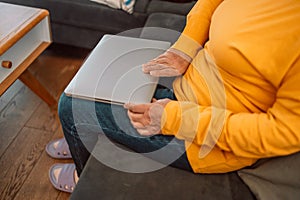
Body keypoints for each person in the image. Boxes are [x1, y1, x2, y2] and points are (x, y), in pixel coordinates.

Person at [47, 0, 300, 193]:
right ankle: (82, 139)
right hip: (187, 84)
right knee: (96, 78)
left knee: (70, 106)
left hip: (208, 139)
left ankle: (81, 173)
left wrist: (175, 118)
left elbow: (281, 132)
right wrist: (185, 48)